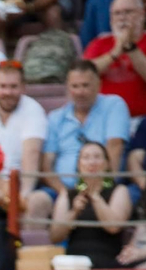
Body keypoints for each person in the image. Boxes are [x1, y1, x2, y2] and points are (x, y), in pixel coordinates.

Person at [39, 61, 129, 222]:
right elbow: (47, 165)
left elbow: (115, 149)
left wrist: (103, 190)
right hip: (63, 190)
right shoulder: (55, 117)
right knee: (36, 201)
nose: (80, 92)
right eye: (75, 86)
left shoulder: (114, 105)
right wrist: (66, 194)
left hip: (104, 188)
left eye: (86, 85)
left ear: (99, 85)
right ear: (68, 88)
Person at [81, 0, 146, 119]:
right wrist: (115, 53)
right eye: (117, 13)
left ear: (142, 15)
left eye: (128, 12)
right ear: (111, 19)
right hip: (104, 119)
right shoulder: (98, 44)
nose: (122, 17)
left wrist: (130, 48)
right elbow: (84, 77)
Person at [50, 141, 131, 269]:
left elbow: (114, 226)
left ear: (107, 164)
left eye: (97, 157)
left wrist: (95, 197)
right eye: (86, 158)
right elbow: (55, 236)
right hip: (74, 259)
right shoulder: (68, 194)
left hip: (106, 258)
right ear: (78, 165)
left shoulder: (119, 190)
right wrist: (74, 212)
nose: (92, 162)